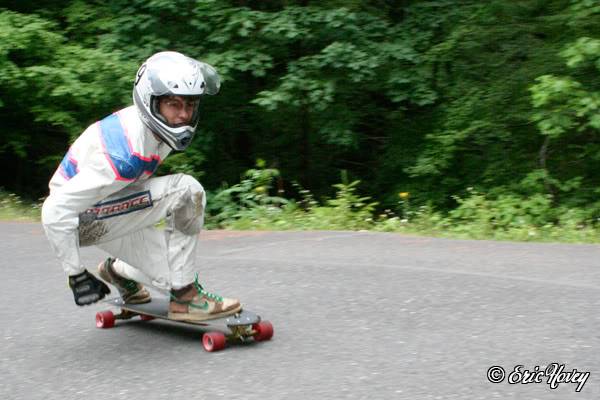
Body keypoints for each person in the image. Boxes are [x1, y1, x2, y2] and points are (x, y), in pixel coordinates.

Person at [41, 51, 241, 321]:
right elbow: (54, 210)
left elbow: (131, 192)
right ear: (151, 101)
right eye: (174, 104)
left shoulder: (155, 129)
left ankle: (117, 271)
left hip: (111, 208)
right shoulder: (123, 155)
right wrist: (75, 274)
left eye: (190, 105)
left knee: (175, 271)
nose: (183, 115)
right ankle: (185, 300)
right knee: (186, 191)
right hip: (81, 219)